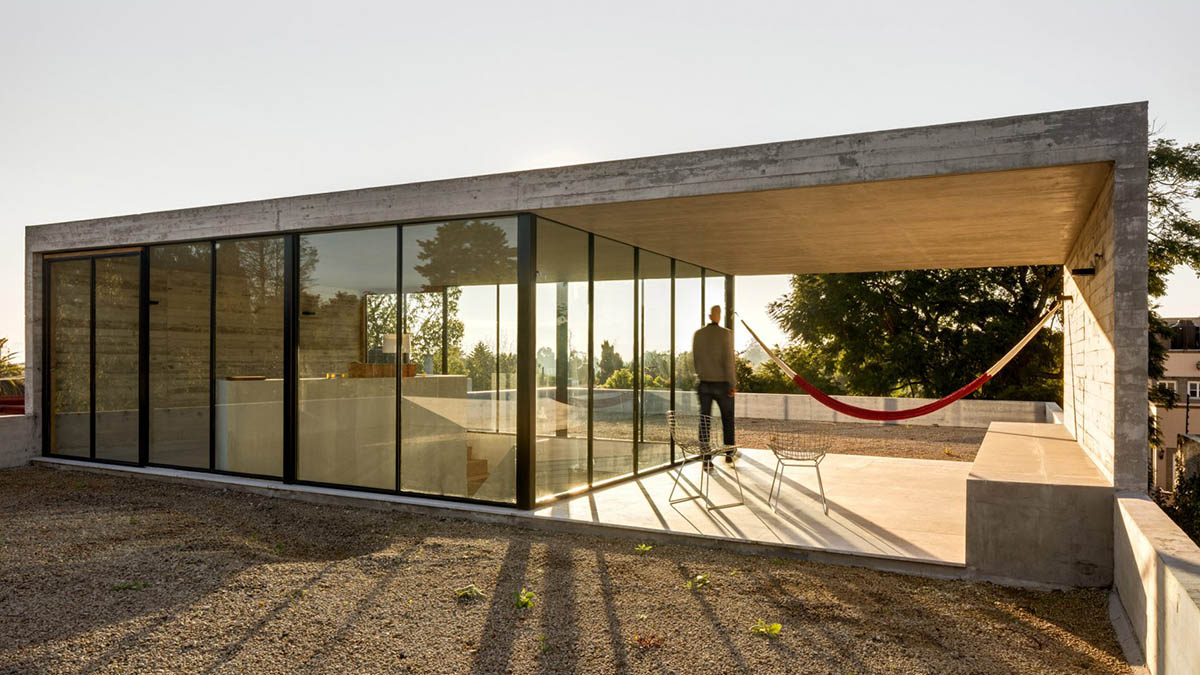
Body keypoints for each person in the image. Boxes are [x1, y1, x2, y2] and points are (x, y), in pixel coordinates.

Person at [692, 304, 737, 469]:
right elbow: (729, 361)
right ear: (715, 316)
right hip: (723, 383)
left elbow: (695, 359)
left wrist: (702, 374)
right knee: (728, 419)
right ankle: (729, 454)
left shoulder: (698, 334)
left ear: (710, 316)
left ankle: (706, 458)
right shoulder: (726, 334)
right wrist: (732, 383)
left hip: (704, 383)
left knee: (704, 421)